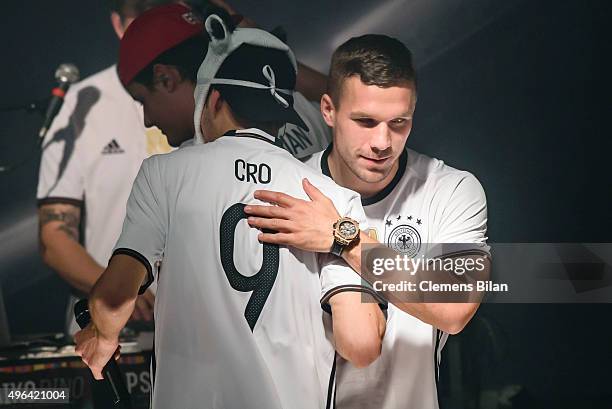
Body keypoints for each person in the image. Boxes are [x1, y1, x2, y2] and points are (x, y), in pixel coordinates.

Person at [75, 11, 386, 408]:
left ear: (215, 99)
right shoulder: (331, 200)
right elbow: (361, 344)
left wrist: (100, 334)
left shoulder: (164, 174)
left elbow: (114, 301)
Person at [244, 34, 490, 408]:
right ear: (328, 110)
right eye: (365, 120)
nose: (382, 141)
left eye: (398, 122)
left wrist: (345, 239)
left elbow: (455, 308)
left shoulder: (451, 190)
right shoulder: (284, 191)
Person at [36, 0, 182, 336]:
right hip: (109, 337)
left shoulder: (207, 93)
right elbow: (53, 236)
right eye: (137, 16)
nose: (149, 24)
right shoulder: (82, 102)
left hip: (196, 335)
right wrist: (115, 289)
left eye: (158, 11)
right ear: (117, 24)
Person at [117, 2, 332, 156]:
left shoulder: (185, 172)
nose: (147, 120)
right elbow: (338, 97)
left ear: (166, 78)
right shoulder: (301, 107)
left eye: (142, 100)